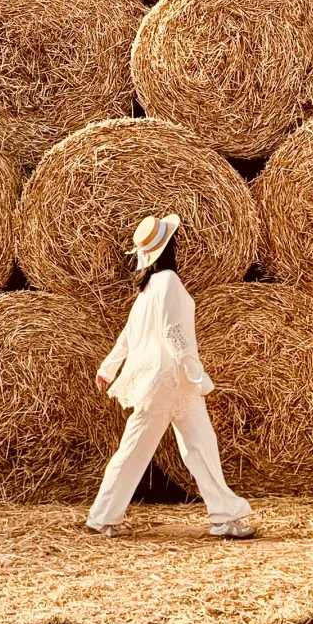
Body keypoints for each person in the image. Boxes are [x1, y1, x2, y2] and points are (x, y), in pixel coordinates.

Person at [86, 213, 255, 539]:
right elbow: (174, 333)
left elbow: (127, 335)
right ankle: (102, 515)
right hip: (169, 380)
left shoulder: (149, 288)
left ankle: (224, 516)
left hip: (170, 382)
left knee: (198, 445)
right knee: (145, 447)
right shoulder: (168, 283)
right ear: (170, 247)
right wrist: (198, 374)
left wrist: (108, 367)